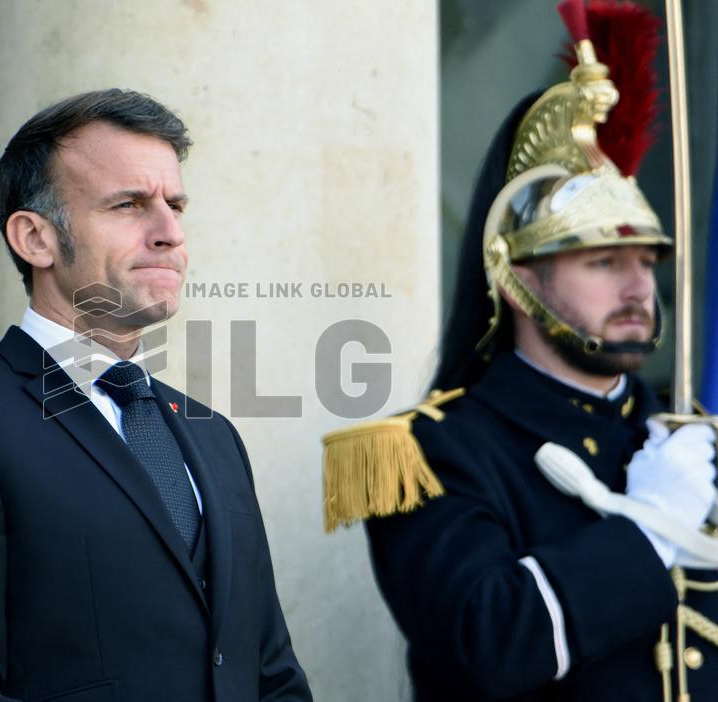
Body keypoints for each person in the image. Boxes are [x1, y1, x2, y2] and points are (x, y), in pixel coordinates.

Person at [321, 5, 718, 700]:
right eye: (601, 261)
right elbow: (488, 642)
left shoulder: (685, 446)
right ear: (516, 279)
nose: (637, 286)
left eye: (645, 259)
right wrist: (648, 530)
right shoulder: (427, 455)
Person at [0, 88, 312, 702]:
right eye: (129, 204)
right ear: (35, 238)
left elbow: (272, 672)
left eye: (176, 205)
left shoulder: (214, 434)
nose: (170, 234)